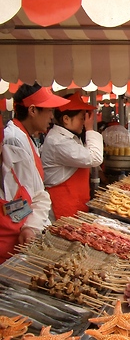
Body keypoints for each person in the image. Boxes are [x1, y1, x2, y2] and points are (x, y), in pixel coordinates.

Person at [1, 83, 70, 263]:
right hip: (12, 239)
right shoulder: (13, 140)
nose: (52, 116)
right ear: (32, 110)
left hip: (25, 229)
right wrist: (31, 225)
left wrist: (32, 226)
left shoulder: (26, 137)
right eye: (48, 110)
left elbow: (34, 193)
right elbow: (17, 197)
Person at [41, 92, 104, 219]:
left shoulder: (70, 138)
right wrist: (90, 129)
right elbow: (95, 158)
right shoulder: (59, 142)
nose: (84, 122)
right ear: (66, 119)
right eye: (82, 118)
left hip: (74, 204)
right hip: (62, 206)